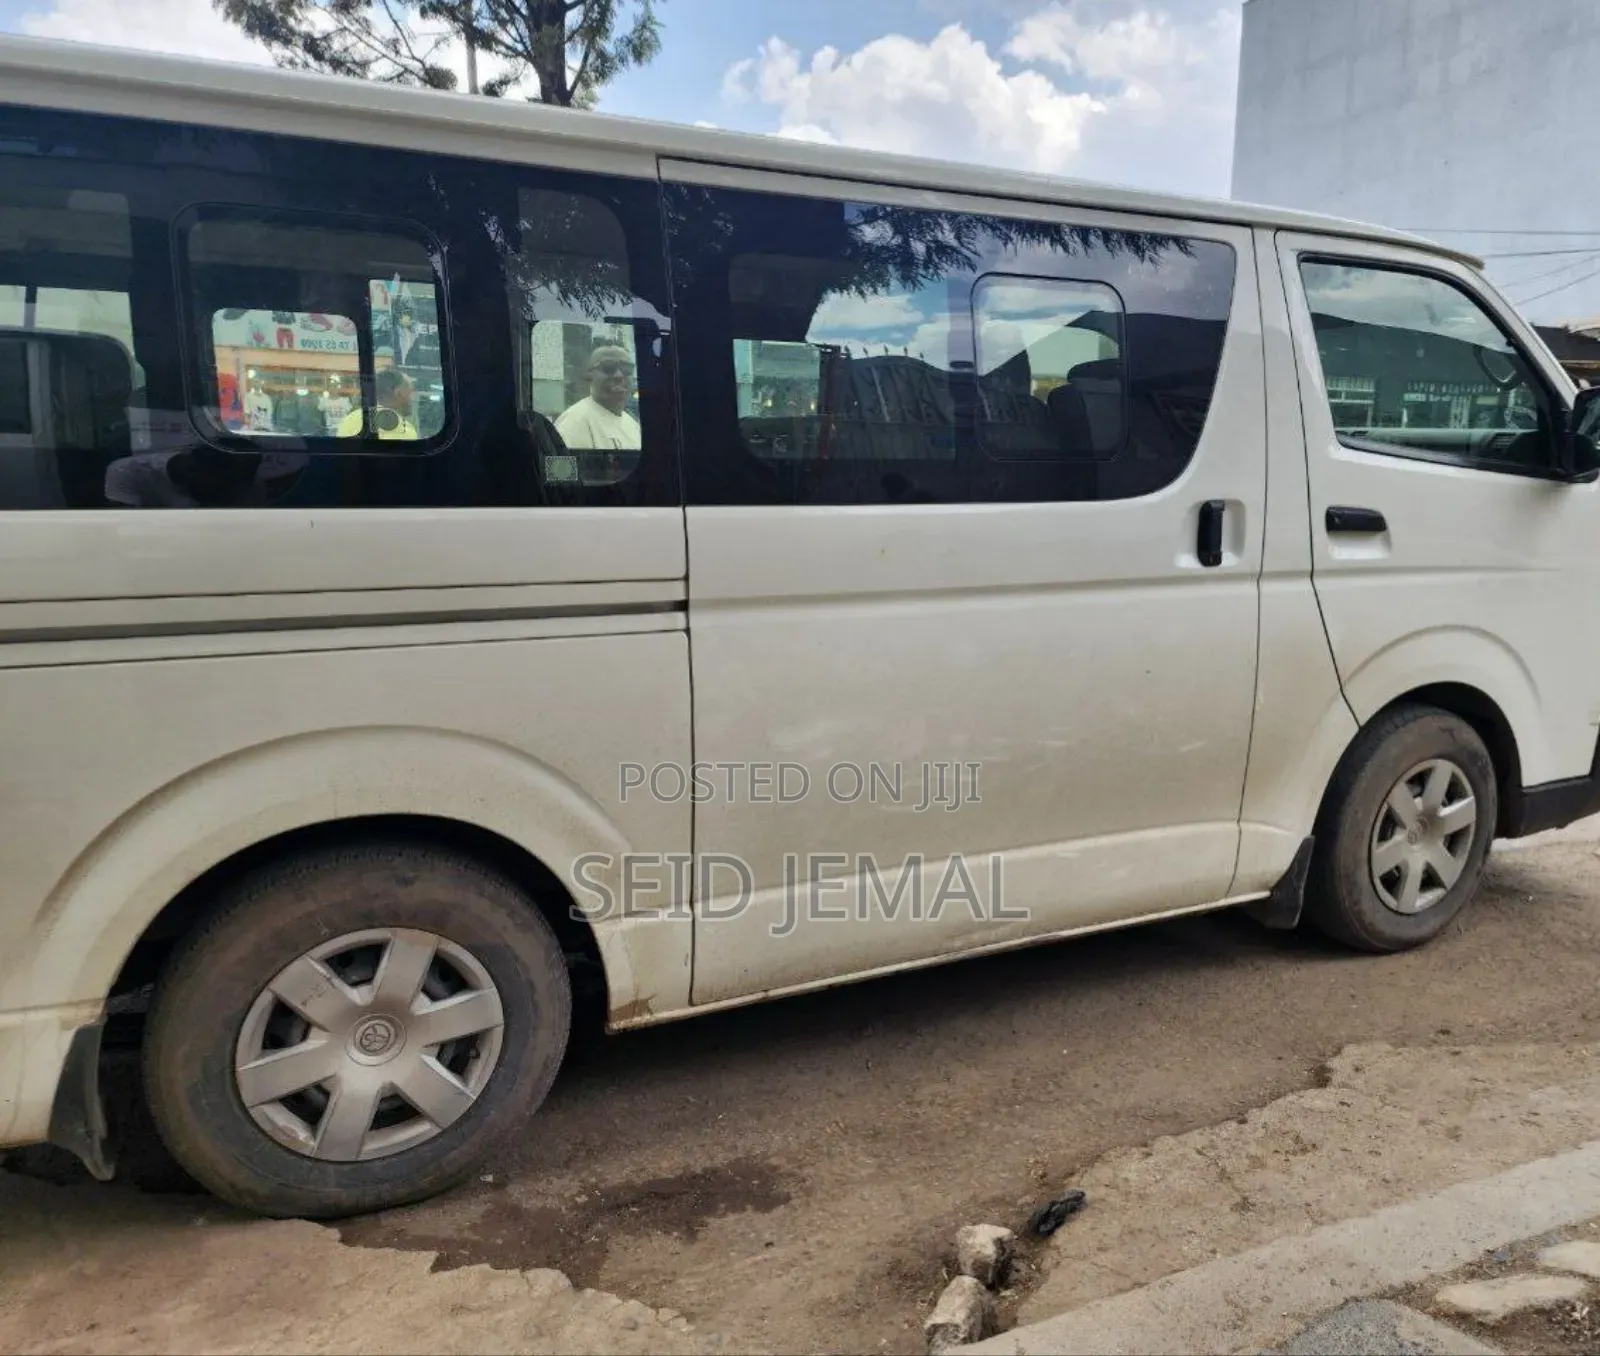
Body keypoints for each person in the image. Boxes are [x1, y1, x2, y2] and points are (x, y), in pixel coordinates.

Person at [554, 344, 641, 451]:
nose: (619, 375)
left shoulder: (632, 423)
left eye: (626, 368)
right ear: (590, 376)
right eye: (608, 367)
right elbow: (562, 467)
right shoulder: (574, 422)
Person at [336, 369, 418, 440]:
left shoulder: (349, 420)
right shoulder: (403, 429)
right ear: (399, 393)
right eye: (410, 392)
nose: (412, 398)